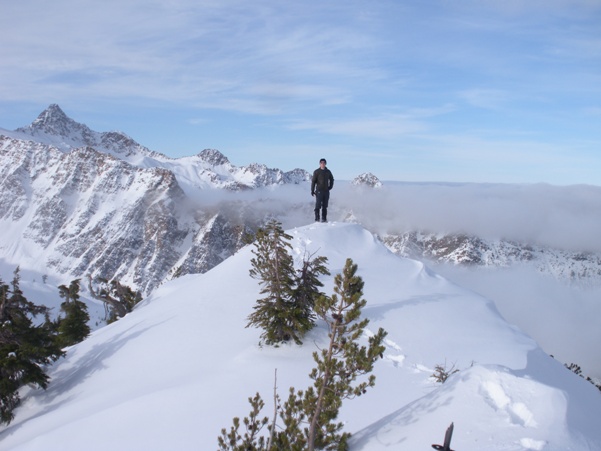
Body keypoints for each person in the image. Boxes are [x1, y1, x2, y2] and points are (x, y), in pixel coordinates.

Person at [311, 158, 334, 222]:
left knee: (325, 206)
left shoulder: (328, 171)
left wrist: (330, 186)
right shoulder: (317, 172)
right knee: (318, 205)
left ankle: (324, 219)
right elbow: (313, 181)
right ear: (319, 164)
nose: (322, 164)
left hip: (326, 191)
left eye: (324, 163)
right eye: (321, 163)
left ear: (325, 164)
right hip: (319, 191)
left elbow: (332, 179)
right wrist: (312, 190)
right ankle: (317, 219)